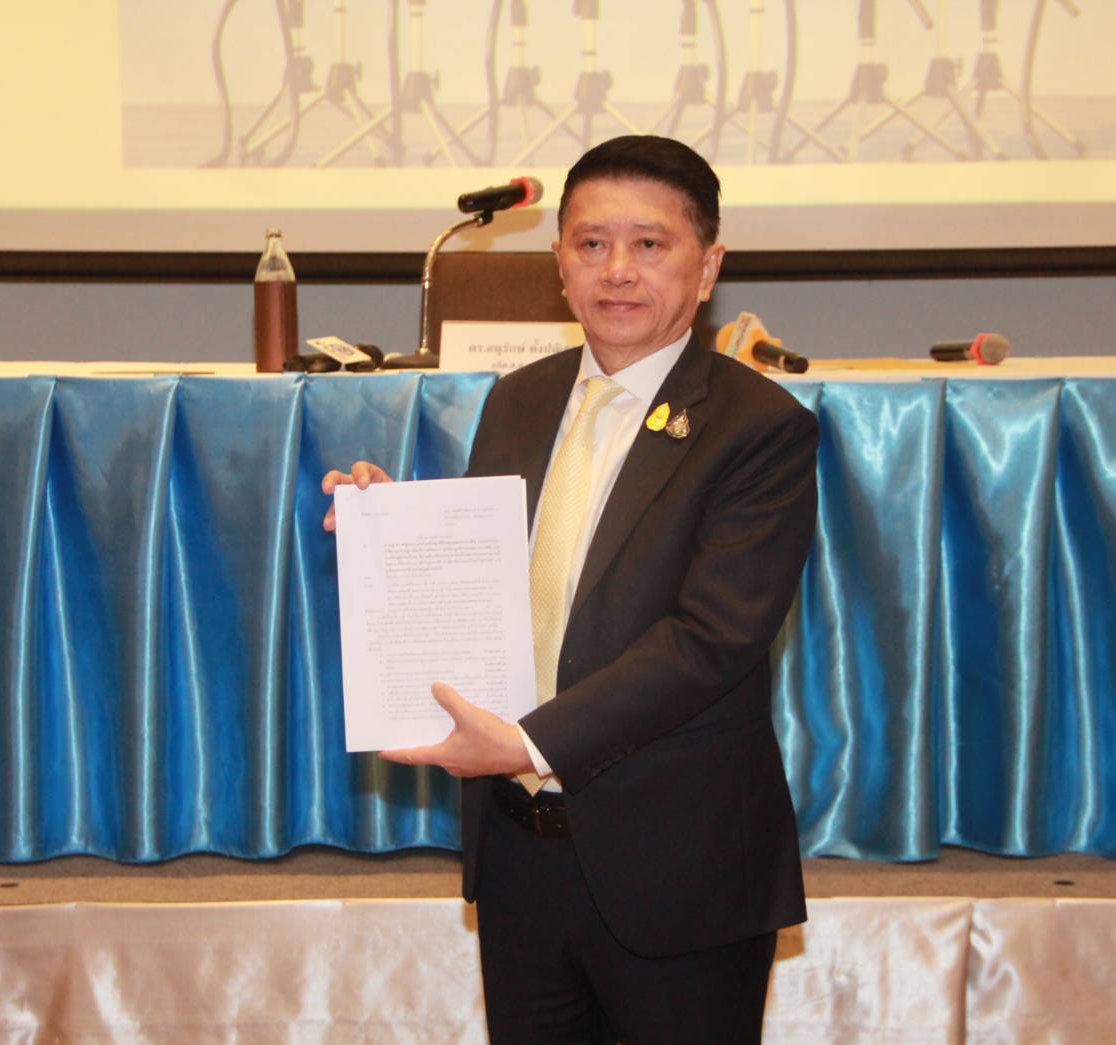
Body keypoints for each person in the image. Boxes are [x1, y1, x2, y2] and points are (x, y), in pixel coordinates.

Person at [322, 135, 818, 1043]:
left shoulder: (759, 428)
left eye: (649, 244)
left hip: (678, 867)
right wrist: (394, 532)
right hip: (520, 855)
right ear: (558, 263)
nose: (616, 269)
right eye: (591, 244)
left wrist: (525, 740)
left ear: (707, 266)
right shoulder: (519, 398)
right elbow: (498, 586)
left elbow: (712, 638)